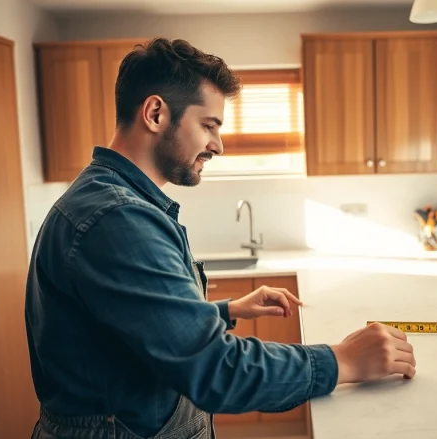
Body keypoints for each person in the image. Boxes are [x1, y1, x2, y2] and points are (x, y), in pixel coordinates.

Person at [25, 37, 417, 439]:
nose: (219, 145)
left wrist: (223, 311)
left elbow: (133, 328)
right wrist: (342, 361)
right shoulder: (118, 218)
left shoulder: (108, 198)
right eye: (208, 125)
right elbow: (215, 371)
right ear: (156, 113)